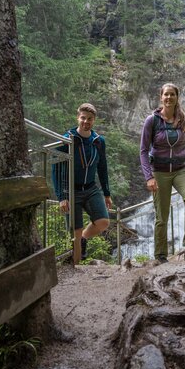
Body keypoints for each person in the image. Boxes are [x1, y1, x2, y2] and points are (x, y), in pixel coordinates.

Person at [140, 83, 185, 263]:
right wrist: (148, 177)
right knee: (162, 214)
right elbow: (143, 150)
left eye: (172, 95)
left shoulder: (184, 119)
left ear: (177, 97)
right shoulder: (152, 121)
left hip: (181, 169)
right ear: (161, 97)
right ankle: (160, 255)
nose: (169, 98)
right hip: (159, 171)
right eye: (166, 95)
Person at [52, 103, 112, 264]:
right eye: (83, 118)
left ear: (94, 121)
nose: (86, 122)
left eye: (90, 119)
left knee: (103, 222)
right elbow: (56, 168)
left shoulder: (99, 141)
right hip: (71, 191)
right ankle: (76, 269)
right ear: (78, 118)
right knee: (75, 236)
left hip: (91, 188)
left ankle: (84, 238)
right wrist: (61, 196)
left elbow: (102, 167)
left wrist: (106, 193)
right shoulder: (67, 140)